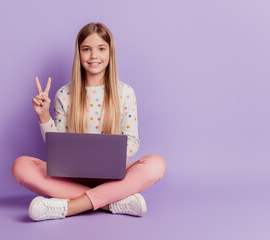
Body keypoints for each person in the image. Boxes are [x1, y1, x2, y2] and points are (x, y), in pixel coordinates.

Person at [11, 22, 167, 222]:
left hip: (114, 175)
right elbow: (56, 146)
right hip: (71, 176)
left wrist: (106, 155)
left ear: (110, 54)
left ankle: (70, 207)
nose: (94, 56)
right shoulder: (64, 94)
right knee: (21, 166)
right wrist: (43, 116)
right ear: (79, 54)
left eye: (101, 49)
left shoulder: (125, 93)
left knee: (156, 164)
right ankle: (112, 202)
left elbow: (133, 141)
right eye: (87, 49)